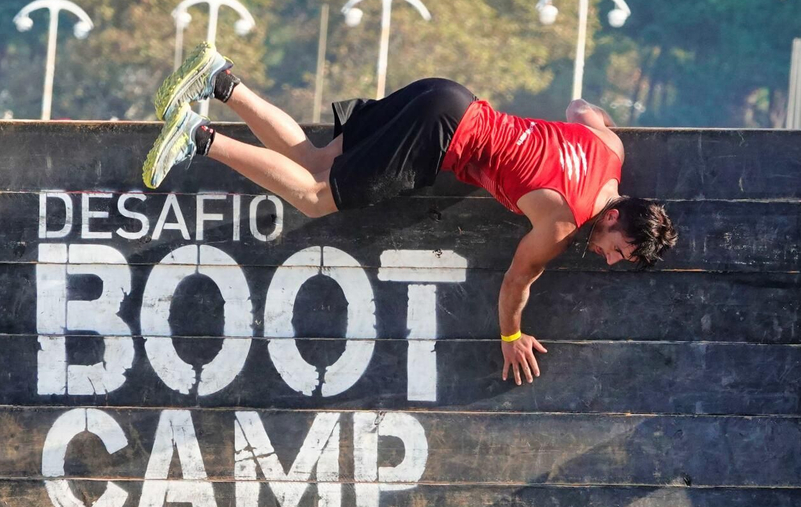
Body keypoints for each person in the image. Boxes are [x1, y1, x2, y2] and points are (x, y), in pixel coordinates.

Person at [143, 44, 678, 382]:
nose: (609, 261)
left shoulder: (610, 148)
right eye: (620, 252)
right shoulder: (563, 223)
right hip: (439, 138)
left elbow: (580, 109)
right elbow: (516, 282)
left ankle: (220, 80)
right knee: (314, 196)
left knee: (314, 159)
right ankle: (199, 136)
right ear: (613, 218)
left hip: (449, 96)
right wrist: (511, 338)